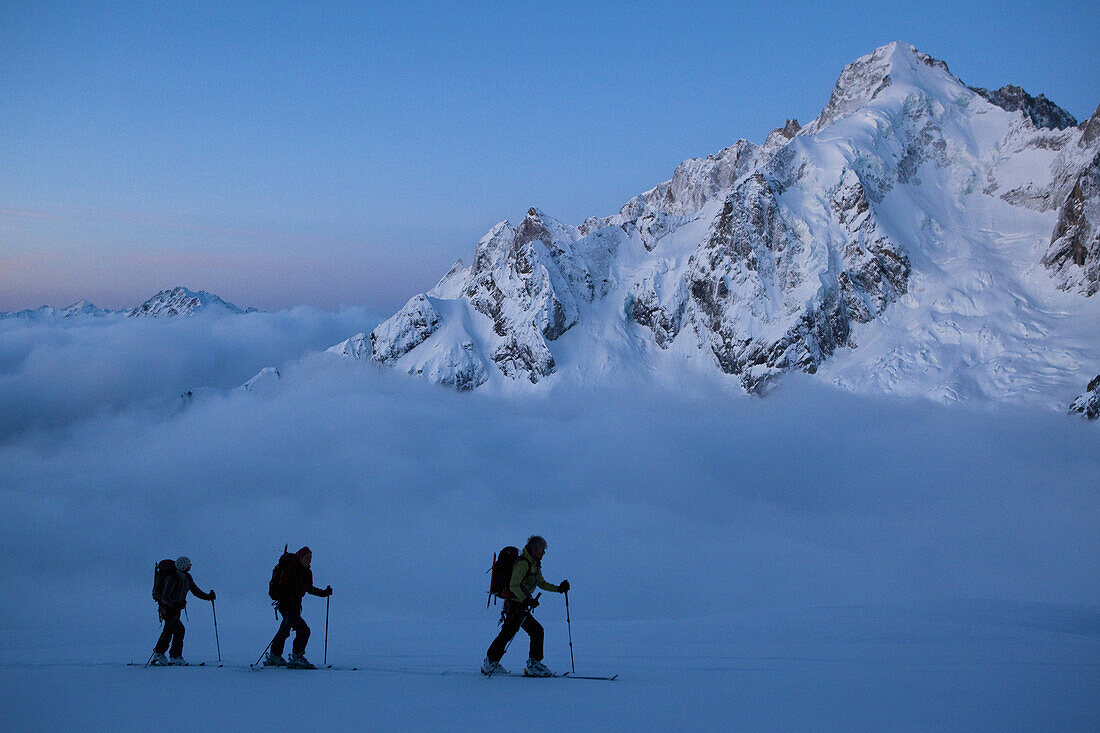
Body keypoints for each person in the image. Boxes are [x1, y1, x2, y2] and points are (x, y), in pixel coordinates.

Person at [482, 535, 570, 677]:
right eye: (543, 549)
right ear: (534, 549)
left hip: (520, 604)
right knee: (532, 631)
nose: (544, 552)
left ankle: (491, 662)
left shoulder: (534, 564)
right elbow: (514, 585)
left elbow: (541, 583)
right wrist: (527, 599)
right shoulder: (523, 563)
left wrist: (559, 588)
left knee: (510, 633)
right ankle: (533, 665)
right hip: (516, 604)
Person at [265, 546, 332, 669]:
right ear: (300, 557)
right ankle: (296, 657)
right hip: (286, 605)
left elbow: (308, 588)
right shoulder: (289, 568)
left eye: (311, 558)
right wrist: (288, 598)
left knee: (285, 630)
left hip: (295, 605)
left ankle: (275, 656)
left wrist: (324, 593)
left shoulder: (306, 571)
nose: (309, 560)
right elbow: (282, 589)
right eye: (307, 558)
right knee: (303, 630)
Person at [151, 556, 214, 666]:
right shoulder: (172, 578)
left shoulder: (187, 577)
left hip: (176, 609)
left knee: (170, 630)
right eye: (189, 564)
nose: (191, 565)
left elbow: (195, 591)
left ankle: (162, 653)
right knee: (178, 630)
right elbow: (165, 597)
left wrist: (208, 597)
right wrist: (175, 603)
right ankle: (172, 655)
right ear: (183, 566)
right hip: (168, 609)